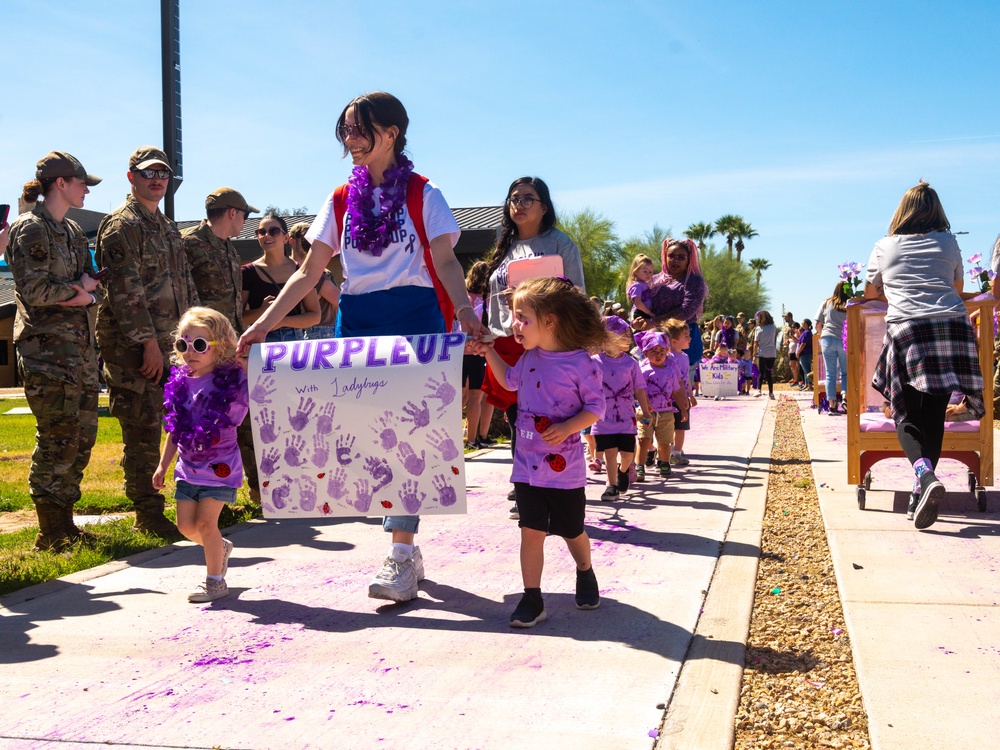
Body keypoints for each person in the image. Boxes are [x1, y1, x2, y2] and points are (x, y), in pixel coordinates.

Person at [238, 91, 484, 602]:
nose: (349, 139)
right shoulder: (340, 199)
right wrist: (263, 325)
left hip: (413, 316)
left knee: (408, 437)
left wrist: (463, 311)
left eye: (359, 129)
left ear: (391, 133)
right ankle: (406, 545)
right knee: (369, 435)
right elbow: (310, 271)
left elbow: (446, 261)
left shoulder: (423, 193)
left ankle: (400, 553)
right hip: (357, 318)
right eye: (345, 130)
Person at [480, 276, 605, 627]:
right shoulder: (529, 357)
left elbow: (596, 407)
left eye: (523, 318)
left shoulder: (582, 363)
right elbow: (509, 382)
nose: (515, 325)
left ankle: (585, 570)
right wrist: (489, 350)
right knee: (530, 530)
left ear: (549, 320)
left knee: (571, 529)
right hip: (527, 466)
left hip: (565, 471)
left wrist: (567, 427)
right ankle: (532, 598)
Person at [864, 181, 984, 529]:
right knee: (933, 417)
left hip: (909, 331)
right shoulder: (949, 242)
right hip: (952, 329)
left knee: (906, 416)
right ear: (937, 211)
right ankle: (920, 494)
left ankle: (924, 477)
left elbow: (872, 290)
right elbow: (957, 289)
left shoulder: (885, 246)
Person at [96, 146, 200, 538]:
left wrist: (190, 338)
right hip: (136, 349)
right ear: (131, 177)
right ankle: (147, 513)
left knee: (171, 425)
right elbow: (126, 290)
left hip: (172, 345)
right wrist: (148, 344)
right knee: (141, 429)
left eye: (163, 174)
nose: (157, 179)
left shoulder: (167, 227)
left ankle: (172, 507)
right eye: (148, 173)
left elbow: (184, 285)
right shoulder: (122, 225)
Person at [5, 152, 103, 550]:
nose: (86, 190)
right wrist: (78, 295)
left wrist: (88, 288)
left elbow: (91, 283)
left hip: (78, 351)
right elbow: (34, 290)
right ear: (60, 184)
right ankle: (50, 532)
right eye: (82, 183)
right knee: (57, 437)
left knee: (82, 438)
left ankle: (66, 524)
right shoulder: (31, 229)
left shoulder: (73, 233)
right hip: (47, 354)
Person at [481, 176, 585, 521]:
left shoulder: (560, 243)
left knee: (548, 415)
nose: (519, 204)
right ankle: (525, 486)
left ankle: (555, 484)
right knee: (516, 417)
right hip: (506, 339)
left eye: (528, 198)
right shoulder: (503, 243)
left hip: (547, 342)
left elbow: (576, 294)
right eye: (514, 198)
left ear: (544, 206)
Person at [154, 307, 248, 602]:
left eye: (199, 345)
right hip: (187, 467)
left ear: (219, 346)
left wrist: (243, 370)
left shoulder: (233, 382)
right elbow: (175, 429)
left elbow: (237, 416)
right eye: (183, 345)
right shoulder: (180, 381)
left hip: (221, 467)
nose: (189, 352)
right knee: (186, 527)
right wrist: (162, 466)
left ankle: (215, 581)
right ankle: (218, 547)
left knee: (207, 524)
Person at [181, 187, 257, 334]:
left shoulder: (229, 248)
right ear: (232, 213)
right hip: (202, 340)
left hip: (229, 337)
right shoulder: (188, 243)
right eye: (245, 215)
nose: (245, 222)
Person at [591, 315, 651, 500]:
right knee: (609, 452)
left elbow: (639, 389)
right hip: (603, 418)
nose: (628, 338)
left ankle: (623, 470)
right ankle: (612, 486)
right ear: (608, 337)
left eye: (628, 334)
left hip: (626, 417)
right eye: (623, 335)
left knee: (627, 453)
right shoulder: (594, 361)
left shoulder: (631, 363)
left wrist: (646, 411)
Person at [241, 213, 320, 341]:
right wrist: (261, 311)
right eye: (262, 232)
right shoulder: (247, 272)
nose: (267, 235)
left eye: (274, 231)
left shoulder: (300, 270)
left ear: (286, 238)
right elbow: (240, 317)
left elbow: (315, 316)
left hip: (294, 339)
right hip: (260, 340)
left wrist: (282, 321)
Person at [647, 238, 708, 381]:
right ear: (665, 257)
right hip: (656, 340)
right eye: (671, 256)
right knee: (655, 386)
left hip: (683, 339)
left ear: (689, 260)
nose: (676, 260)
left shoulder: (694, 281)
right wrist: (638, 318)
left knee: (681, 390)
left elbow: (687, 310)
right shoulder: (655, 280)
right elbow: (640, 302)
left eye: (681, 257)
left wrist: (655, 321)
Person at [634, 329, 687, 479]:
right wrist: (643, 405)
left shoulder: (670, 371)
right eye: (654, 351)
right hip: (646, 413)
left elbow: (676, 391)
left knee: (665, 442)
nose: (658, 355)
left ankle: (664, 462)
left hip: (666, 412)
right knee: (644, 440)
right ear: (645, 353)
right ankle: (640, 466)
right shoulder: (643, 371)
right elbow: (638, 391)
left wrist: (683, 408)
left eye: (662, 351)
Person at [288, 221, 340, 340]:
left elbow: (339, 301)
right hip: (301, 332)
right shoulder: (291, 273)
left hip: (323, 331)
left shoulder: (319, 273)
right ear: (291, 241)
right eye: (305, 239)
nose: (310, 243)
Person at [461, 260, 494, 449]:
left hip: (458, 349)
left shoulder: (462, 298)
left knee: (458, 396)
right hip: (479, 350)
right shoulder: (488, 300)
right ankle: (472, 439)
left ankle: (453, 437)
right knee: (476, 395)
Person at [664, 319, 696, 465]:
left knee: (681, 426)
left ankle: (677, 452)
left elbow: (685, 379)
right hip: (669, 398)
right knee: (669, 426)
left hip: (682, 396)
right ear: (674, 341)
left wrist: (691, 395)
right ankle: (670, 450)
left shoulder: (684, 356)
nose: (690, 339)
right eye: (686, 336)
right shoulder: (666, 357)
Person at [815, 282, 850, 413]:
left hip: (828, 339)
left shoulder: (826, 303)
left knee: (830, 374)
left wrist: (821, 336)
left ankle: (832, 404)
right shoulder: (850, 305)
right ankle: (845, 397)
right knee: (846, 372)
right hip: (844, 340)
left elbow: (818, 324)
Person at [751, 310, 778, 399]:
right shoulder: (773, 327)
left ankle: (759, 389)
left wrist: (754, 355)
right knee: (769, 373)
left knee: (761, 372)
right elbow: (774, 340)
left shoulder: (759, 328)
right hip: (772, 353)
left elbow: (755, 343)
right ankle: (771, 393)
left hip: (762, 353)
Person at [626, 253, 655, 323]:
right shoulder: (637, 285)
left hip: (645, 312)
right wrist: (649, 313)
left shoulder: (644, 284)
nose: (648, 274)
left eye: (650, 272)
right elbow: (638, 303)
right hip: (641, 313)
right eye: (645, 271)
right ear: (636, 272)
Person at [796, 319, 814, 389]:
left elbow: (803, 344)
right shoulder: (805, 332)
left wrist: (798, 352)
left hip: (806, 353)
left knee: (807, 369)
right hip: (804, 354)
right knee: (804, 369)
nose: (801, 324)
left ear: (806, 324)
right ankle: (806, 384)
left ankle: (809, 385)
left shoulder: (807, 332)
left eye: (802, 323)